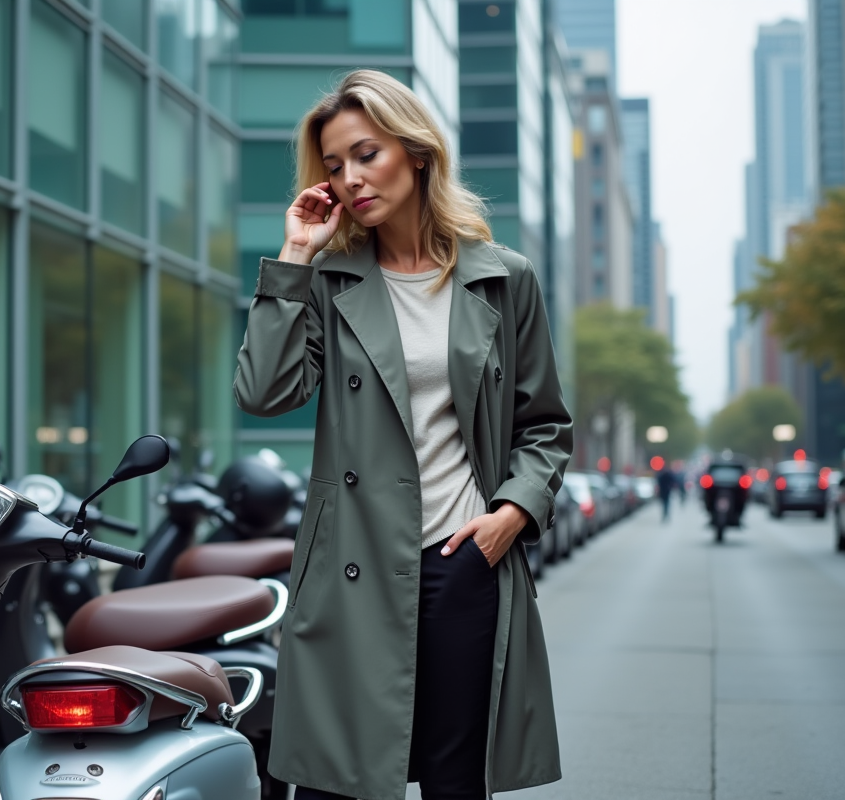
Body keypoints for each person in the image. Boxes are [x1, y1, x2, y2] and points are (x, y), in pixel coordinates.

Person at [234, 70, 573, 800]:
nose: (350, 179)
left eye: (366, 154)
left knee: (454, 781)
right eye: (333, 165)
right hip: (351, 567)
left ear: (415, 154)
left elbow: (543, 423)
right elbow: (264, 393)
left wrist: (511, 515)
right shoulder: (328, 279)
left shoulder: (501, 278)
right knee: (339, 781)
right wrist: (294, 257)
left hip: (461, 558)